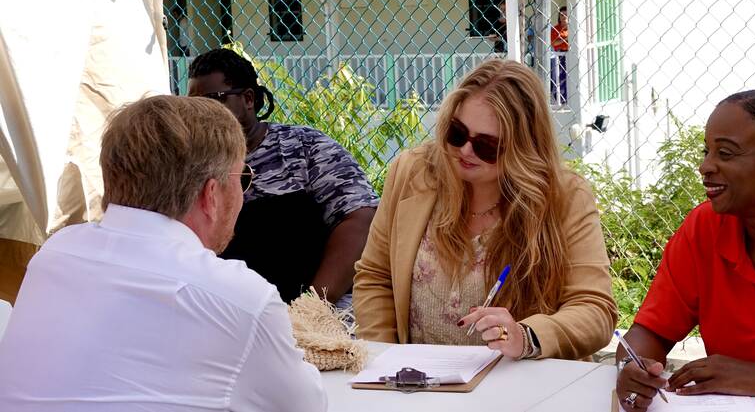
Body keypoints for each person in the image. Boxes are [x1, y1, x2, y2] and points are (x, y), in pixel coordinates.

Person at [0, 96, 326, 411]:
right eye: (242, 178)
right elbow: (306, 405)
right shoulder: (240, 299)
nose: (242, 192)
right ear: (211, 195)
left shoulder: (56, 254)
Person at [353, 59, 617, 360]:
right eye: (457, 133)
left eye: (487, 146)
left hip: (520, 390)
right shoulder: (413, 173)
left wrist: (526, 337)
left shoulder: (565, 197)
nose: (465, 150)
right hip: (417, 386)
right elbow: (375, 276)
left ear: (523, 148)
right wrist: (385, 361)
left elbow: (594, 310)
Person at [616, 90, 755, 411]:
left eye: (726, 154)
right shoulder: (703, 228)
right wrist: (633, 369)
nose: (705, 166)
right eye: (707, 152)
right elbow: (651, 331)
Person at [188, 48, 378, 305]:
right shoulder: (188, 165)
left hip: (314, 309)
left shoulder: (304, 147)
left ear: (248, 99)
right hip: (225, 310)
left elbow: (360, 218)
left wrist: (312, 306)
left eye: (214, 99)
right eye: (194, 103)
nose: (203, 113)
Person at [550, 6, 568, 103]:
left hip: (570, 54)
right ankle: (561, 99)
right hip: (560, 55)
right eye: (561, 15)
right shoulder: (556, 29)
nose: (564, 17)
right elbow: (554, 43)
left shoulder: (572, 28)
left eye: (566, 15)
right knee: (559, 78)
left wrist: (562, 40)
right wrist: (566, 39)